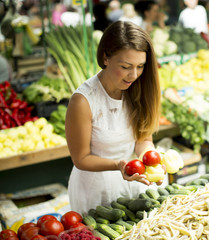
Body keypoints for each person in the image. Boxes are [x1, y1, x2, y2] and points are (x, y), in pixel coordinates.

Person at [65, 21, 163, 214]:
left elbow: (143, 139)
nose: (134, 74)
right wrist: (119, 165)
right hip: (94, 191)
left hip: (134, 182)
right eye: (126, 66)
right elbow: (81, 158)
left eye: (140, 66)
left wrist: (150, 159)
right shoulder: (83, 101)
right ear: (105, 57)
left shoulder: (140, 89)